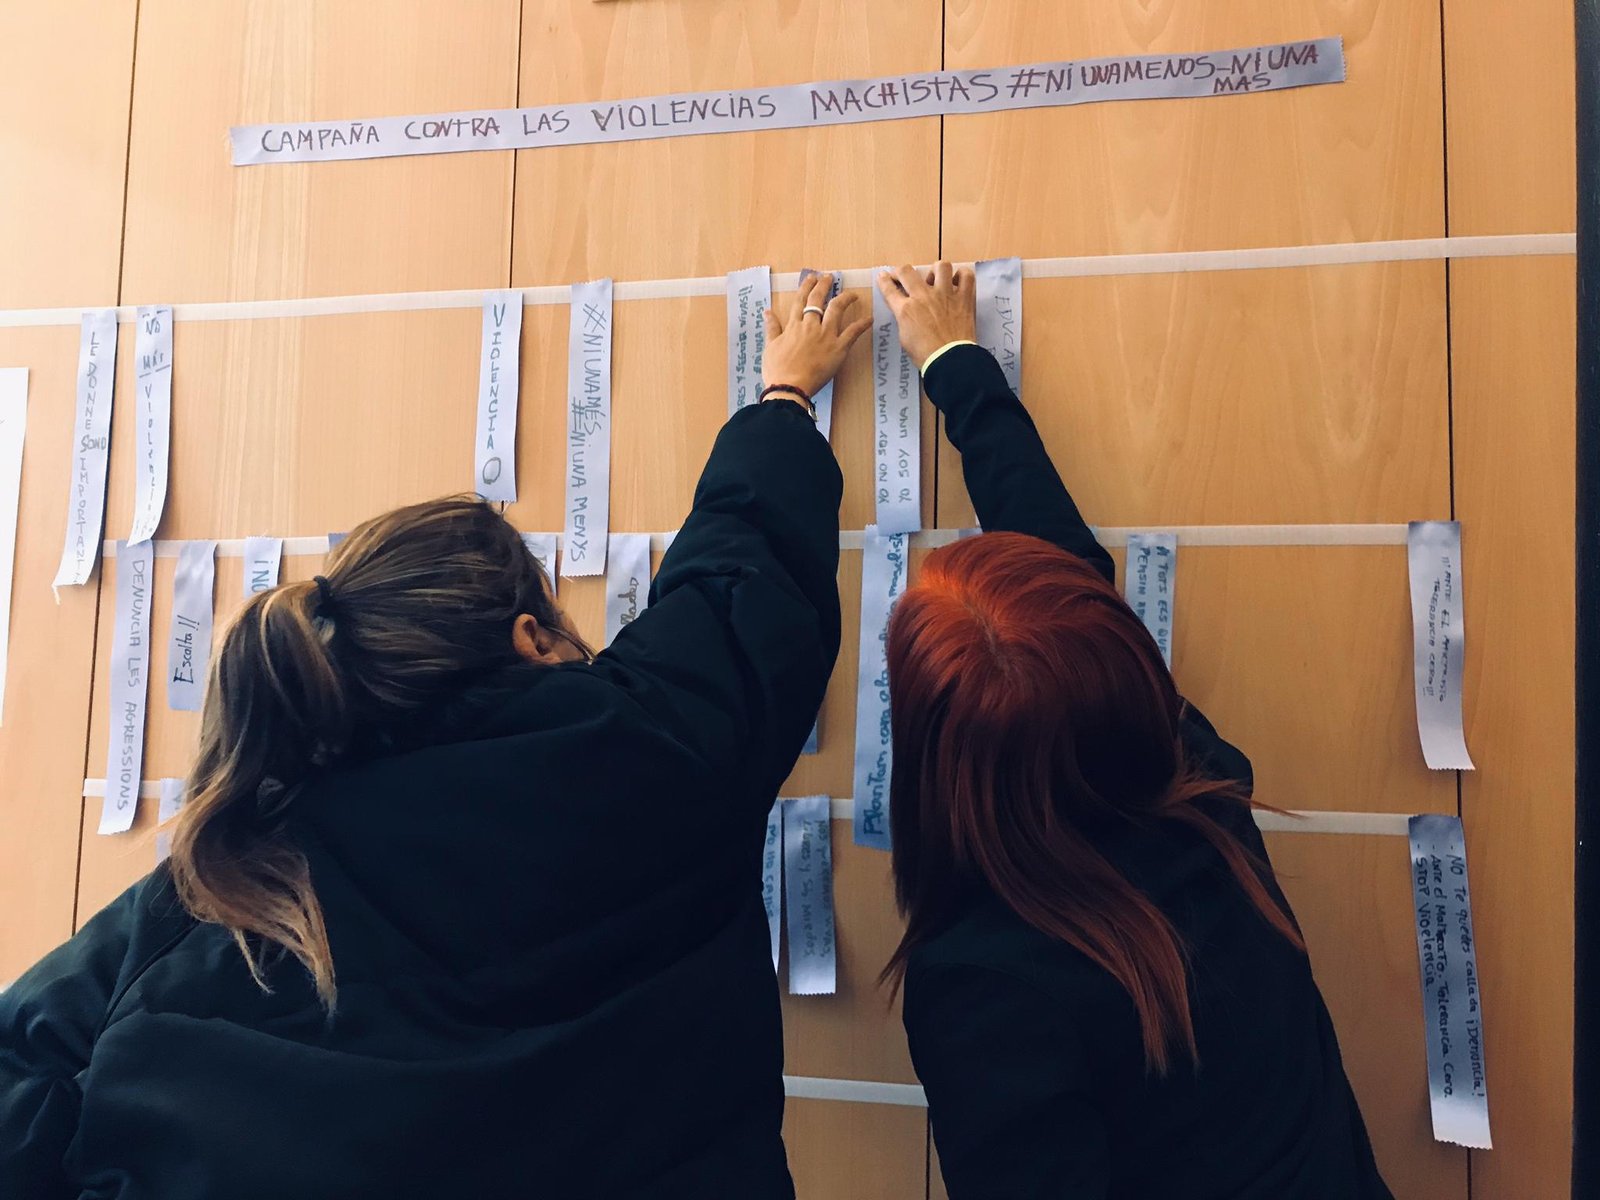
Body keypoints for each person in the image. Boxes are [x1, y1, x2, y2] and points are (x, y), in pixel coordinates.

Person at [0, 272, 871, 1200]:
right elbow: (741, 587)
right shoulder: (654, 750)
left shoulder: (235, 873)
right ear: (531, 640)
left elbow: (24, 1061)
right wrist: (784, 398)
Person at [874, 263, 1393, 1200]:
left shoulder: (987, 985)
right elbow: (1067, 584)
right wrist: (954, 362)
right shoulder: (1198, 790)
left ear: (933, 755)